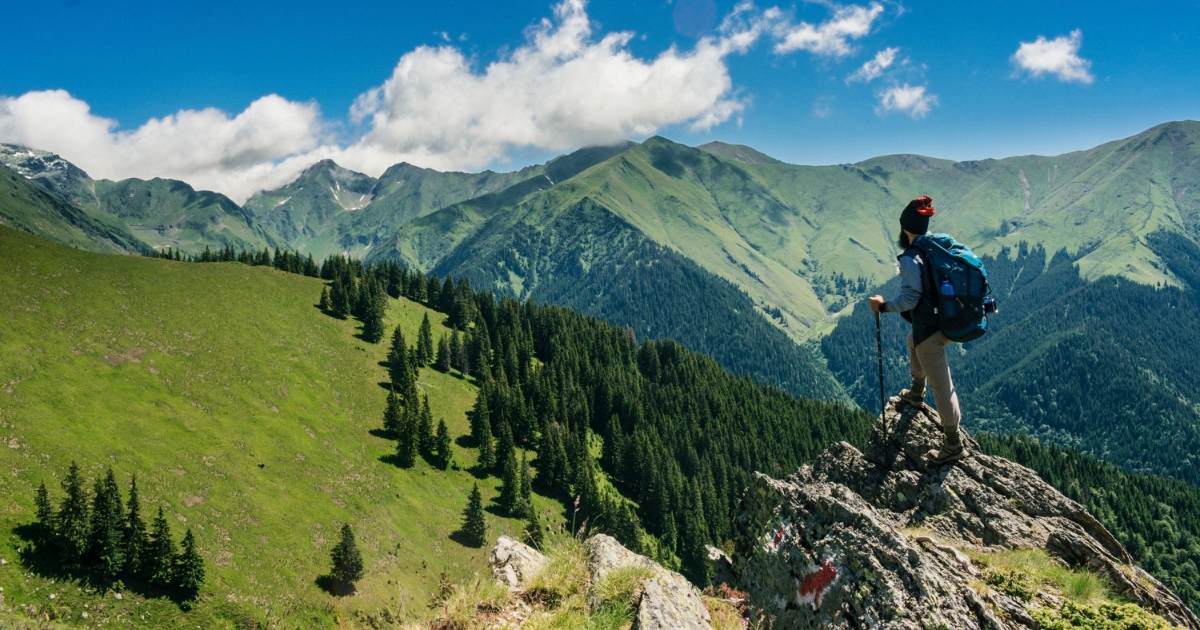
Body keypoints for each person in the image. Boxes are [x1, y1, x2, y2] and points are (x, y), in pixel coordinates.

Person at [868, 196, 967, 465]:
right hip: (948, 318)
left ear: (905, 229)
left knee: (942, 385)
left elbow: (909, 300)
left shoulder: (913, 257)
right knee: (914, 340)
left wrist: (883, 306)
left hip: (933, 329)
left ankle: (953, 444)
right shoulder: (936, 245)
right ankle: (916, 392)